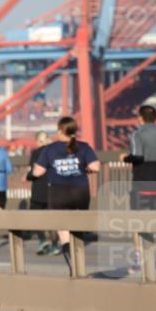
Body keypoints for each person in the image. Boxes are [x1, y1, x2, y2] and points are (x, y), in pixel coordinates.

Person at [31, 116, 100, 274]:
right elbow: (96, 167)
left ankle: (73, 267)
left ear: (60, 130)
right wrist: (83, 168)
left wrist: (47, 168)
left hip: (59, 193)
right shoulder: (83, 147)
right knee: (79, 228)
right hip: (81, 191)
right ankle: (80, 261)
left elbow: (37, 172)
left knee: (63, 231)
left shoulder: (50, 149)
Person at [122, 104, 156, 210]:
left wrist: (125, 158)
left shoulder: (137, 135)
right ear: (155, 118)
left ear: (140, 118)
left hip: (143, 186)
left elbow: (138, 157)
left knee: (139, 221)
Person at [26, 130, 58, 255]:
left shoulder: (36, 153)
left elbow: (32, 171)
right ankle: (55, 245)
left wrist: (27, 176)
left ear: (38, 141)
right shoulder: (55, 151)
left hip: (38, 190)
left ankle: (43, 240)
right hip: (53, 189)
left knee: (35, 217)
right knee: (53, 219)